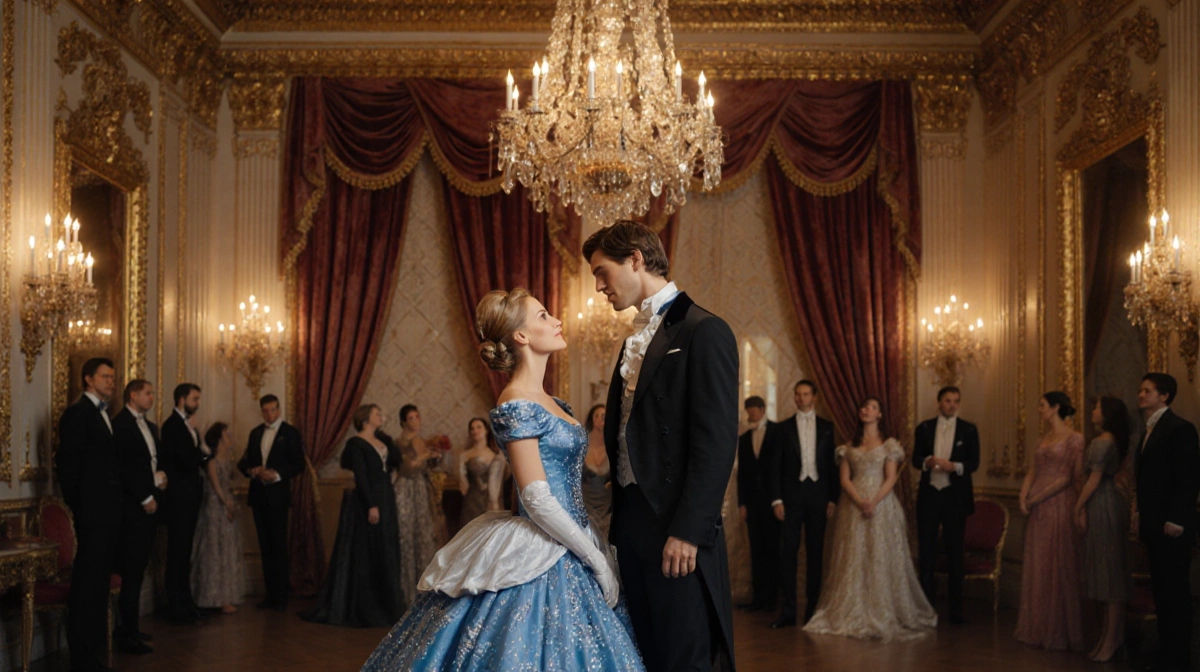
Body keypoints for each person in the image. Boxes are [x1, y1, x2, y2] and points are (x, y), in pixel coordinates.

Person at [362, 289, 642, 670]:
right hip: (545, 544)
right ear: (521, 336)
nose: (557, 320)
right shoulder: (515, 402)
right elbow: (537, 496)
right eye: (543, 316)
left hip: (576, 537)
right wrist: (594, 558)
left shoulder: (554, 402)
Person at [589, 220, 739, 671]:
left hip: (677, 527)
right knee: (647, 655)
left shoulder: (704, 330)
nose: (598, 287)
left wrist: (688, 531)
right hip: (632, 524)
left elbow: (715, 444)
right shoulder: (634, 336)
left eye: (601, 272)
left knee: (685, 657)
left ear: (635, 259)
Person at [804, 397, 937, 641]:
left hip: (882, 504)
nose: (866, 410)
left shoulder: (889, 446)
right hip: (853, 505)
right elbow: (844, 479)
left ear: (879, 415)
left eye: (872, 407)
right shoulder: (847, 447)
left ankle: (882, 609)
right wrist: (859, 501)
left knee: (880, 555)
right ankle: (853, 609)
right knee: (853, 556)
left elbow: (890, 478)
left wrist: (873, 501)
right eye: (864, 407)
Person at [305, 405, 404, 626]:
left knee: (386, 546)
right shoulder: (356, 444)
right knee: (369, 549)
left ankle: (388, 605)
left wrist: (387, 439)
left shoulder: (382, 440)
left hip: (386, 497)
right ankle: (368, 607)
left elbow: (396, 461)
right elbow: (361, 475)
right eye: (377, 414)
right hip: (369, 501)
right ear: (366, 419)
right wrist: (371, 505)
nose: (381, 416)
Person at [56, 357, 121, 672]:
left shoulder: (104, 414)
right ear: (87, 379)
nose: (112, 381)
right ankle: (81, 657)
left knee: (98, 585)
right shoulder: (78, 413)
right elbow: (68, 466)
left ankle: (93, 653)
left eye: (113, 377)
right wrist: (81, 507)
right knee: (86, 585)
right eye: (105, 377)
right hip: (92, 513)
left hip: (107, 513)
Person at [1134, 373, 1200, 672]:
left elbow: (1188, 480)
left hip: (1172, 528)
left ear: (1165, 396)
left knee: (1175, 594)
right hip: (1154, 526)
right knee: (1162, 592)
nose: (1141, 394)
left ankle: (1178, 660)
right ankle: (1166, 655)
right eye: (1141, 390)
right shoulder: (1149, 429)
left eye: (1147, 390)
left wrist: (1176, 519)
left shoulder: (1180, 429)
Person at [1014, 391, 1084, 651]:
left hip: (1058, 505)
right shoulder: (1043, 438)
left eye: (1042, 405)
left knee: (1058, 563)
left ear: (1055, 408)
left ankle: (1059, 630)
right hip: (1037, 507)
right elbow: (1032, 470)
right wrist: (1023, 495)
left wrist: (1036, 498)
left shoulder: (1075, 439)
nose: (1039, 409)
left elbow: (1068, 477)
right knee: (1039, 564)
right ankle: (1038, 626)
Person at [766, 380, 838, 628]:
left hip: (818, 496)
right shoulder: (782, 428)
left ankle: (812, 611)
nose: (801, 398)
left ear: (814, 397)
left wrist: (832, 498)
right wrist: (776, 499)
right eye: (797, 394)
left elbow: (831, 467)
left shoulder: (828, 427)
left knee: (816, 553)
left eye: (805, 394)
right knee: (788, 554)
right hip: (791, 498)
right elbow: (774, 467)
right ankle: (788, 611)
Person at [912, 385, 980, 625]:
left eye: (955, 401)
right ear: (939, 402)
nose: (952, 404)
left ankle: (956, 611)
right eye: (948, 400)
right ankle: (926, 609)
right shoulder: (924, 428)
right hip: (929, 496)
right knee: (927, 554)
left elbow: (974, 462)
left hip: (955, 498)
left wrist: (956, 467)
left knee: (955, 555)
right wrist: (927, 462)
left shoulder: (969, 429)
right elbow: (914, 459)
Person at [1075, 396, 1131, 663]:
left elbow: (1093, 479)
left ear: (1106, 414)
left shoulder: (1102, 442)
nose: (1092, 411)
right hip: (1108, 501)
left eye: (1096, 407)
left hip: (1102, 504)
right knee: (1109, 572)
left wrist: (1077, 507)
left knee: (1109, 574)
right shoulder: (1110, 441)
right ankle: (1110, 637)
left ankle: (1111, 640)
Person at [237, 394, 305, 611]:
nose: (270, 414)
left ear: (279, 409)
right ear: (262, 411)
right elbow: (244, 463)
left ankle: (281, 596)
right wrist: (252, 470)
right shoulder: (256, 433)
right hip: (258, 496)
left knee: (278, 546)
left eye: (273, 409)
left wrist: (276, 474)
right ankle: (270, 595)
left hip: (278, 495)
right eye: (266, 411)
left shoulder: (290, 433)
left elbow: (298, 464)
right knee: (265, 546)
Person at [112, 380, 163, 654]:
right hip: (133, 508)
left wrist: (158, 479)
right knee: (131, 570)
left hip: (149, 502)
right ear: (133, 395)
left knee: (138, 569)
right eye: (148, 393)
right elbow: (126, 469)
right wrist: (145, 496)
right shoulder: (120, 424)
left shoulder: (149, 425)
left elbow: (149, 462)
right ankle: (126, 632)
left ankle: (131, 628)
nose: (152, 397)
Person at [159, 382, 208, 624]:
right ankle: (176, 606)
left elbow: (200, 456)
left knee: (184, 552)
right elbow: (185, 461)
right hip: (178, 500)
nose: (197, 404)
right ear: (182, 399)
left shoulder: (188, 426)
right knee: (177, 553)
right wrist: (199, 447)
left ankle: (186, 602)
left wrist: (198, 443)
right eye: (195, 399)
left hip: (189, 498)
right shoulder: (172, 426)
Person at [191, 422, 246, 614]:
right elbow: (216, 486)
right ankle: (213, 597)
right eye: (226, 434)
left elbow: (233, 481)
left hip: (226, 508)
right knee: (214, 551)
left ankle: (225, 596)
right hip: (215, 510)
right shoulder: (212, 461)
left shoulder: (227, 459)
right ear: (219, 439)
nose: (230, 436)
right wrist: (227, 503)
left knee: (226, 551)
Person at [392, 405, 443, 609]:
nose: (415, 421)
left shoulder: (421, 440)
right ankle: (406, 592)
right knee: (406, 536)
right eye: (411, 418)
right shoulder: (399, 442)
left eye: (416, 416)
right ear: (403, 422)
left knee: (422, 536)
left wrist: (433, 458)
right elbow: (406, 468)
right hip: (405, 490)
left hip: (420, 490)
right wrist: (424, 456)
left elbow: (423, 468)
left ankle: (424, 591)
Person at [736, 395, 778, 613]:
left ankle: (774, 597)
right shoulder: (743, 439)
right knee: (756, 551)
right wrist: (742, 503)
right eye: (748, 411)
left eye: (753, 410)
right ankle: (759, 597)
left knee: (774, 550)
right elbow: (742, 474)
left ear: (762, 409)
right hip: (752, 504)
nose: (750, 414)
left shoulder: (778, 432)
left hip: (773, 503)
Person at [458, 416, 506, 527]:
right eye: (472, 428)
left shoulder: (496, 455)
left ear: (486, 430)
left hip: (490, 501)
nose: (475, 431)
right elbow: (463, 487)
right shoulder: (465, 455)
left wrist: (494, 504)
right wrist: (461, 466)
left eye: (479, 427)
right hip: (471, 502)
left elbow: (498, 484)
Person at [582, 404, 613, 541]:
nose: (601, 419)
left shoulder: (613, 445)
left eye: (604, 416)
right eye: (597, 416)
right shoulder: (582, 445)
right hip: (586, 502)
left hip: (607, 504)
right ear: (591, 420)